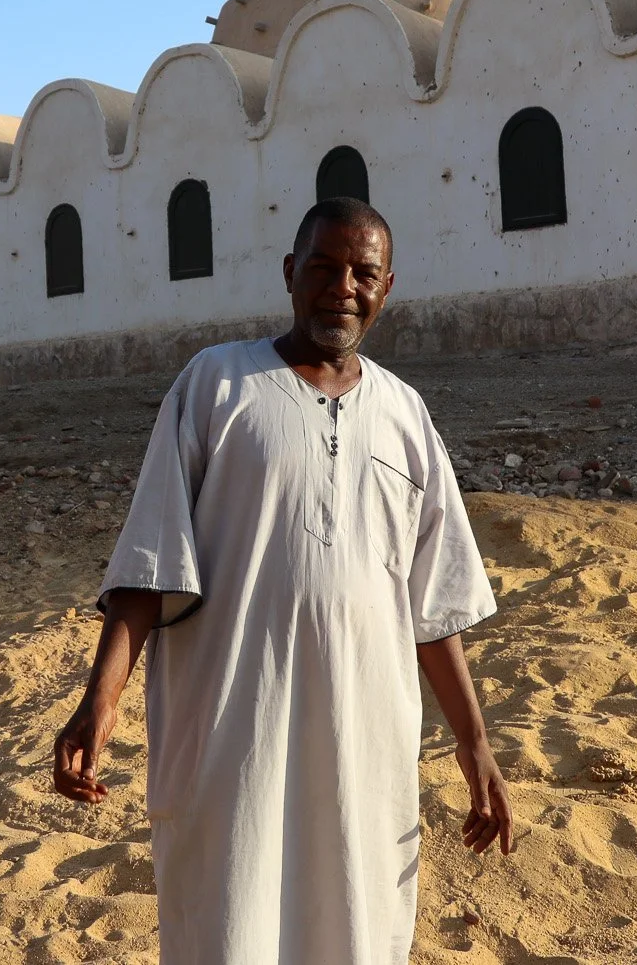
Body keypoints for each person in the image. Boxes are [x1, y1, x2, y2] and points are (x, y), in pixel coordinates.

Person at [52, 196, 513, 964]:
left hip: (364, 745)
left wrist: (476, 746)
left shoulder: (406, 414)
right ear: (290, 274)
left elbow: (434, 609)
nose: (342, 287)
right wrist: (99, 704)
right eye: (324, 267)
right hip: (232, 739)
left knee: (355, 927)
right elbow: (148, 566)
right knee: (229, 925)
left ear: (386, 287)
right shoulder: (215, 385)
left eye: (362, 272)